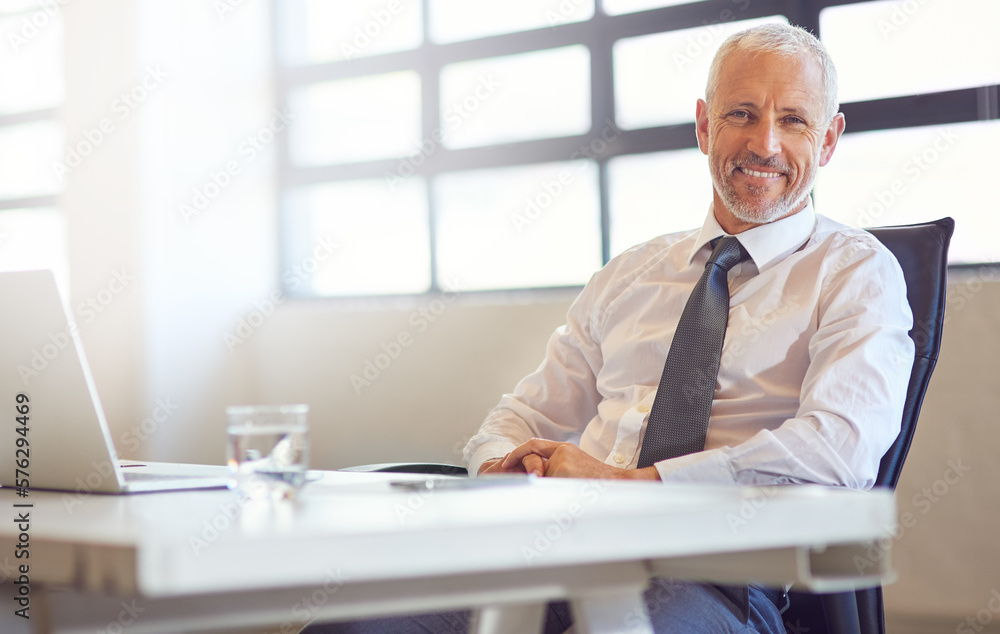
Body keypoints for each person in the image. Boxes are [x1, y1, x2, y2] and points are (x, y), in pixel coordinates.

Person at [308, 22, 913, 634]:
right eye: (742, 113)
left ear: (830, 140)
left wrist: (635, 485)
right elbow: (518, 419)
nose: (765, 143)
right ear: (704, 126)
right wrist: (503, 471)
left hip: (716, 577)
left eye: (794, 120)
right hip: (551, 554)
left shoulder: (856, 273)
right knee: (351, 628)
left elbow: (841, 448)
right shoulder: (631, 273)